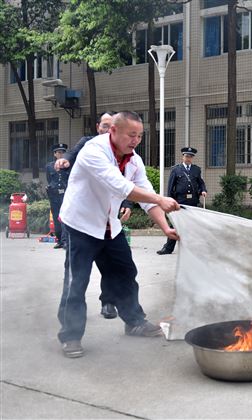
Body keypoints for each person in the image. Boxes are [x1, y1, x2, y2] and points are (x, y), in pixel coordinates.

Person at [57, 111, 180, 359]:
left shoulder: (134, 160)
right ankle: (70, 336)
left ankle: (134, 321)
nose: (135, 141)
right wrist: (159, 199)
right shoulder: (94, 151)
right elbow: (120, 186)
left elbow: (146, 194)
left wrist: (165, 228)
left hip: (110, 226)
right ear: (113, 131)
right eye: (131, 135)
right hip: (81, 226)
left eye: (140, 136)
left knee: (125, 273)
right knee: (76, 281)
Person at [56, 112, 131, 320]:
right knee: (76, 276)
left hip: (108, 222)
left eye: (112, 126)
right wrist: (65, 161)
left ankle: (110, 303)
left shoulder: (123, 151)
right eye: (105, 125)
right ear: (98, 126)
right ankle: (70, 329)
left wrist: (126, 203)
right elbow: (72, 154)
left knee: (116, 268)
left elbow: (125, 180)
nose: (108, 130)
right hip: (82, 221)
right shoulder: (90, 145)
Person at [156, 146, 207, 255]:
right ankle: (168, 248)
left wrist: (203, 190)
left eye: (190, 157)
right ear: (183, 156)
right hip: (179, 202)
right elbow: (171, 186)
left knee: (193, 225)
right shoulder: (176, 169)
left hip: (193, 201)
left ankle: (192, 249)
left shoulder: (196, 169)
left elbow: (200, 182)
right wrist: (170, 201)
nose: (188, 158)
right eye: (186, 156)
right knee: (175, 224)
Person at [46, 143, 70, 249]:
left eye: (63, 152)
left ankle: (65, 241)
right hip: (54, 195)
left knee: (64, 217)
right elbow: (49, 180)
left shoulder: (68, 165)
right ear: (55, 154)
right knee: (56, 218)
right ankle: (59, 240)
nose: (61, 154)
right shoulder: (49, 166)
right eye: (59, 152)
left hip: (65, 194)